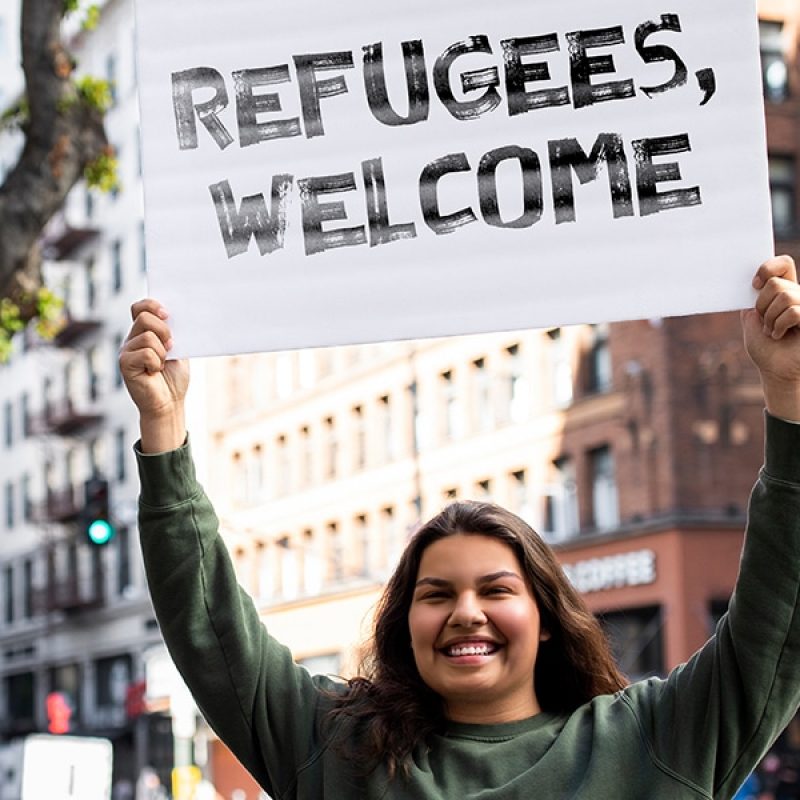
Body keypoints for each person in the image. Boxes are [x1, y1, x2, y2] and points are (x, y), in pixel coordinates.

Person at [120, 255, 800, 799]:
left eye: (496, 590)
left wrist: (789, 395)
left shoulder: (659, 738)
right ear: (403, 622)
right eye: (436, 594)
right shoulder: (333, 750)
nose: (465, 613)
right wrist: (164, 428)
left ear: (547, 616)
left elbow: (782, 611)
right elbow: (207, 625)